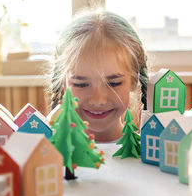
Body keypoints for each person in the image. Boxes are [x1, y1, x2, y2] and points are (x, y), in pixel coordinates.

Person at [48, 9, 148, 143]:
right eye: (81, 84)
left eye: (113, 83)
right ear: (64, 85)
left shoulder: (148, 152)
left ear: (134, 81)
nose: (98, 100)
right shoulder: (48, 151)